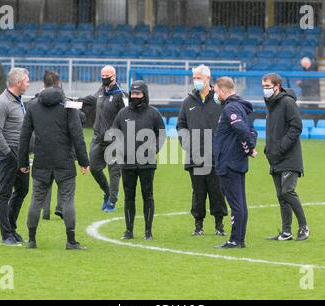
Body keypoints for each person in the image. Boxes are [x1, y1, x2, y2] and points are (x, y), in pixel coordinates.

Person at [18, 80, 90, 250]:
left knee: (36, 200)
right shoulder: (69, 107)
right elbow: (77, 137)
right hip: (64, 161)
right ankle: (71, 241)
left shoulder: (33, 107)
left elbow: (24, 136)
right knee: (67, 201)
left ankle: (31, 240)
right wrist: (84, 162)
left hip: (41, 161)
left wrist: (22, 162)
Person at [110, 80, 165, 240]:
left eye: (138, 94)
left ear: (144, 95)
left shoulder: (154, 113)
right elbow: (115, 132)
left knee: (148, 196)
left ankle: (148, 232)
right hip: (127, 163)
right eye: (133, 93)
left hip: (147, 163)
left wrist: (153, 149)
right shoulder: (122, 113)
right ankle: (129, 231)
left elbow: (161, 134)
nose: (135, 96)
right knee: (129, 197)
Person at [177, 64, 228, 236]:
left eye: (199, 78)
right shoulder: (188, 101)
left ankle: (219, 225)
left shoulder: (219, 99)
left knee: (217, 191)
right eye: (194, 78)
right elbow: (181, 125)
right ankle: (198, 225)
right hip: (195, 155)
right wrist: (185, 142)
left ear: (208, 78)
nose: (196, 81)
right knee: (198, 192)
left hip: (216, 156)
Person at [30, 71, 87, 221]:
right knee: (66, 186)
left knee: (43, 183)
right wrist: (84, 161)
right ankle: (61, 210)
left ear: (43, 84)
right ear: (59, 83)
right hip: (63, 149)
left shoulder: (36, 99)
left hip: (42, 149)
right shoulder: (65, 100)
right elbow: (80, 120)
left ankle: (45, 212)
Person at [262, 73, 310, 241]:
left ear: (277, 86)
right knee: (281, 195)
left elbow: (296, 127)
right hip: (275, 157)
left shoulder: (287, 103)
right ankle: (286, 231)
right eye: (263, 86)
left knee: (287, 192)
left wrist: (281, 148)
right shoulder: (270, 105)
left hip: (289, 157)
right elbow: (273, 130)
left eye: (267, 86)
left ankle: (304, 227)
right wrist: (268, 149)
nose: (265, 90)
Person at [213, 77, 257, 249]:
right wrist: (248, 149)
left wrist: (250, 146)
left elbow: (241, 129)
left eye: (216, 91)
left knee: (235, 203)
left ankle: (235, 240)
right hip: (236, 160)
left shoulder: (230, 107)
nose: (215, 95)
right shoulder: (240, 107)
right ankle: (239, 239)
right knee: (240, 203)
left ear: (223, 91)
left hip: (229, 162)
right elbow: (249, 131)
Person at [0, 67, 30, 246]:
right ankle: (5, 235)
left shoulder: (19, 100)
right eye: (27, 80)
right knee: (4, 193)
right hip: (8, 153)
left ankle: (12, 228)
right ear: (18, 83)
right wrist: (9, 154)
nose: (29, 83)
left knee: (22, 189)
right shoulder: (2, 103)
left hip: (20, 152)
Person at [79, 65, 126, 212]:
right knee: (94, 167)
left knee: (114, 171)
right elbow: (90, 100)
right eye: (102, 75)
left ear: (114, 76)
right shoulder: (100, 90)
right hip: (97, 137)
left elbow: (126, 117)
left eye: (107, 75)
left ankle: (112, 200)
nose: (104, 78)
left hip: (114, 139)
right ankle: (107, 191)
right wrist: (74, 101)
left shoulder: (120, 95)